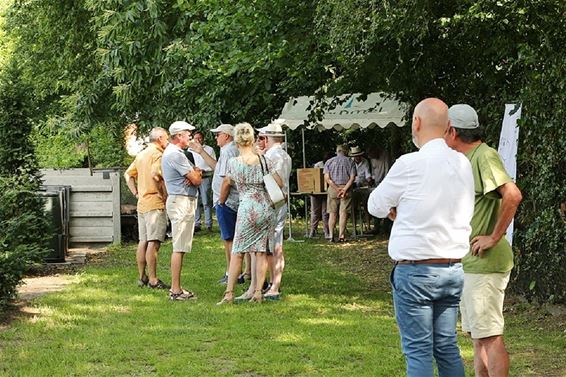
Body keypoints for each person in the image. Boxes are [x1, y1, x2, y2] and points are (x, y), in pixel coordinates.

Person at [368, 98, 475, 377]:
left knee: (418, 351)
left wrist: (397, 208)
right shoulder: (463, 164)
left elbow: (376, 205)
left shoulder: (409, 163)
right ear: (448, 126)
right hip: (452, 267)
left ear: (416, 123)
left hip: (416, 270)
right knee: (447, 346)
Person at [445, 104, 522, 377]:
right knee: (479, 336)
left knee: (489, 336)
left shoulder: (484, 156)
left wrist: (494, 236)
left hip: (486, 264)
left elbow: (512, 195)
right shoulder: (468, 159)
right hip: (472, 263)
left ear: (452, 131)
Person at [217, 123, 283, 304]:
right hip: (264, 207)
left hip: (246, 207)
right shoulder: (264, 160)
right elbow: (279, 183)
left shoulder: (233, 163)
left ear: (236, 141)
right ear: (253, 139)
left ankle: (229, 294)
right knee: (261, 251)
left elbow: (229, 182)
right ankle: (258, 293)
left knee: (238, 251)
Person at [189, 124, 248, 285]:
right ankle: (236, 272)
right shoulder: (228, 150)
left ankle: (232, 273)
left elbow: (227, 179)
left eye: (218, 135)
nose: (215, 137)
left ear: (227, 136)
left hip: (227, 201)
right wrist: (200, 151)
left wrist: (221, 201)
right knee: (230, 237)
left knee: (229, 239)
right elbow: (217, 167)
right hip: (228, 200)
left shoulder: (229, 151)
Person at [124, 127, 170, 289]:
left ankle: (141, 277)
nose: (167, 141)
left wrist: (136, 193)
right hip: (154, 204)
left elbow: (128, 175)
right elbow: (155, 174)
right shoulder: (157, 154)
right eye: (166, 138)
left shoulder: (141, 154)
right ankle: (153, 279)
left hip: (142, 203)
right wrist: (163, 194)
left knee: (142, 241)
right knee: (154, 242)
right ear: (159, 138)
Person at [161, 121, 202, 301]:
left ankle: (176, 288)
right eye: (188, 134)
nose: (190, 137)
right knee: (179, 246)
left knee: (181, 246)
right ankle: (175, 290)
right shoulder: (176, 155)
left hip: (180, 200)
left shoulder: (174, 153)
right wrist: (196, 173)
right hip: (181, 202)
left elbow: (194, 175)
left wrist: (195, 172)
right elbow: (197, 179)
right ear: (179, 136)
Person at [257, 121, 292, 301]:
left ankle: (274, 285)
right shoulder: (285, 155)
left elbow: (274, 181)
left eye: (262, 137)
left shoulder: (270, 156)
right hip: (281, 199)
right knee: (275, 241)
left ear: (267, 138)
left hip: (272, 200)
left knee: (273, 244)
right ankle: (273, 283)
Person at [323, 144, 356, 242]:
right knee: (343, 213)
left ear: (337, 151)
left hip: (333, 189)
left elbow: (327, 178)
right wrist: (344, 189)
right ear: (345, 151)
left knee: (332, 213)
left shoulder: (329, 162)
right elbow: (352, 177)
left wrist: (336, 189)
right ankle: (341, 236)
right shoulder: (350, 161)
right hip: (346, 188)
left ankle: (331, 235)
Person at [190, 131, 216, 232]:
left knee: (206, 201)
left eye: (200, 138)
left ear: (203, 138)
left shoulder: (209, 149)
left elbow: (214, 164)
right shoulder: (190, 150)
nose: (198, 140)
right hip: (194, 177)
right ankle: (197, 223)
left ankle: (208, 223)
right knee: (196, 201)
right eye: (196, 138)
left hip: (205, 176)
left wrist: (205, 170)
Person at [309, 153, 332, 239]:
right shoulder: (318, 165)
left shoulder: (331, 165)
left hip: (326, 192)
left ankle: (326, 231)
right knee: (315, 212)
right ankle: (313, 231)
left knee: (325, 212)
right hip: (316, 192)